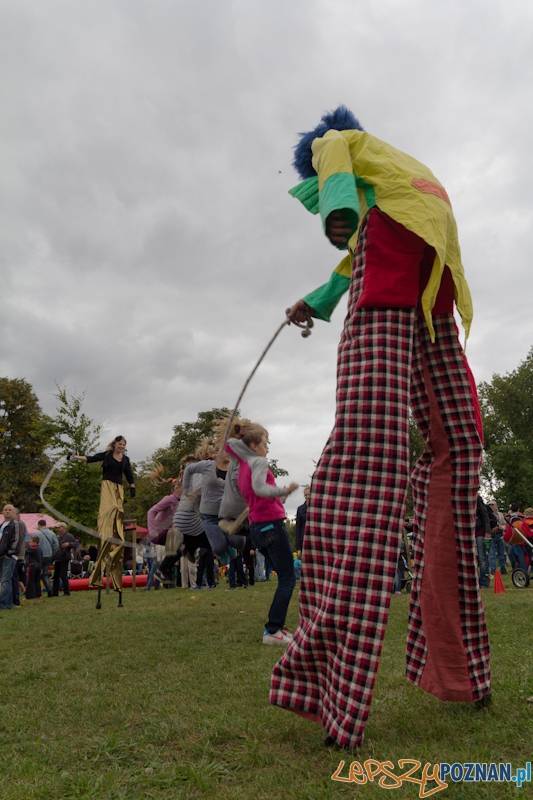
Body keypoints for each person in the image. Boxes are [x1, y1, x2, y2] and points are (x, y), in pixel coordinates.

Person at [272, 106, 491, 749]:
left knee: (373, 453)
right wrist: (311, 302)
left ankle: (335, 680)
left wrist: (337, 217)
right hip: (430, 287)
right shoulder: (398, 183)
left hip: (402, 294)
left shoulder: (338, 142)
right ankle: (459, 671)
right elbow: (353, 265)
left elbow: (343, 208)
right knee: (459, 449)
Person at [226, 421, 299, 644]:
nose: (268, 448)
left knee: (284, 575)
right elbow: (260, 488)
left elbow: (229, 444)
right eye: (265, 443)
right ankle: (273, 630)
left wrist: (238, 430)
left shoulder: (243, 462)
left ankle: (276, 627)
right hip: (271, 525)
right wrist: (283, 490)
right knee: (287, 578)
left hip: (258, 528)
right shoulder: (257, 462)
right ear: (255, 446)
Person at [70, 435, 135, 606]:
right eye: (119, 444)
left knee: (117, 513)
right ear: (114, 444)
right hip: (107, 486)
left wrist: (133, 487)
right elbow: (90, 459)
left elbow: (129, 474)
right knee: (108, 511)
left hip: (119, 488)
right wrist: (75, 457)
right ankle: (106, 527)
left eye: (124, 445)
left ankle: (115, 529)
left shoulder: (125, 459)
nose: (121, 447)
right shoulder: (106, 455)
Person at [0, 504, 23, 610]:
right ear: (3, 512)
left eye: (10, 510)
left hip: (9, 556)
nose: (7, 511)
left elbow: (17, 539)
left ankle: (3, 604)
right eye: (5, 510)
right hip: (2, 555)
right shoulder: (2, 524)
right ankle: (8, 604)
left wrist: (10, 553)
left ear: (13, 512)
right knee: (6, 581)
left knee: (5, 581)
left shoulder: (15, 524)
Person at [52, 524, 79, 596]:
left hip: (64, 558)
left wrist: (69, 544)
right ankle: (55, 592)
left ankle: (66, 592)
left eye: (59, 527)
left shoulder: (69, 536)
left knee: (63, 575)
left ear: (63, 528)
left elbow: (76, 544)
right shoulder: (58, 537)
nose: (58, 529)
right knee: (56, 576)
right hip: (57, 558)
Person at [34, 519, 59, 597]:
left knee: (37, 574)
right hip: (48, 555)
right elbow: (56, 545)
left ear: (39, 525)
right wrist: (52, 552)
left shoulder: (36, 533)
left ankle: (37, 591)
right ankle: (49, 588)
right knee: (45, 573)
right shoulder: (52, 533)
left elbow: (33, 545)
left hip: (39, 556)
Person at [12, 508, 28, 606]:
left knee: (16, 577)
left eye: (12, 512)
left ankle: (16, 599)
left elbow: (18, 539)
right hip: (18, 554)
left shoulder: (19, 523)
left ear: (17, 514)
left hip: (18, 555)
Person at [488, 500, 507, 575]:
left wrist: (501, 527)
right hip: (491, 534)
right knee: (491, 554)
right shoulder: (486, 514)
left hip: (499, 534)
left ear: (496, 506)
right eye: (490, 505)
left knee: (501, 553)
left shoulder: (500, 514)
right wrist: (491, 529)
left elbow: (505, 524)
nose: (491, 506)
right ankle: (493, 571)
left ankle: (503, 569)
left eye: (493, 505)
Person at [25, 536, 43, 600]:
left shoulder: (33, 548)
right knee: (37, 581)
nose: (29, 543)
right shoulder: (40, 549)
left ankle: (29, 595)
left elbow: (25, 552)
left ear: (35, 542)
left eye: (30, 542)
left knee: (30, 580)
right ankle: (39, 594)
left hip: (32, 565)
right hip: (39, 565)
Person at [294, 487, 309, 552]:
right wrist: (298, 546)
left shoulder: (317, 508)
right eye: (306, 495)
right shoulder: (300, 509)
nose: (308, 496)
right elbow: (298, 527)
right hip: (303, 539)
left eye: (309, 494)